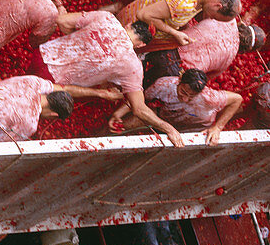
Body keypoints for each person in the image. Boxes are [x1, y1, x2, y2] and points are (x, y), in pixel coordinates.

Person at [32, 11, 185, 147]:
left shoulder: (106, 18)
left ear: (129, 24)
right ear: (141, 44)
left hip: (40, 56)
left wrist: (75, 40)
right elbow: (139, 109)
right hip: (54, 84)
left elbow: (62, 20)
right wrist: (168, 128)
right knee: (34, 108)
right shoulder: (132, 66)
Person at [112, 69, 243, 145]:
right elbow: (140, 101)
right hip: (165, 117)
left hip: (193, 129)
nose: (185, 99)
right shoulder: (164, 85)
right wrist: (119, 112)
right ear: (179, 80)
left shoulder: (210, 98)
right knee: (123, 124)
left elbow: (237, 99)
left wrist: (217, 127)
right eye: (183, 92)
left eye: (191, 96)